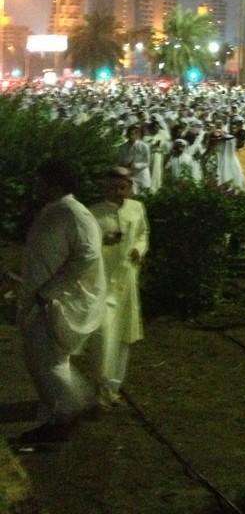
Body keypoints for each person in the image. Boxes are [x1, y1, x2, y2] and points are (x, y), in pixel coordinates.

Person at [15, 159, 106, 446]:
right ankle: (71, 408)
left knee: (47, 362)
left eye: (41, 181)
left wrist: (50, 291)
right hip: (42, 297)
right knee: (49, 361)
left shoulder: (74, 213)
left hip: (56, 302)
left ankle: (63, 420)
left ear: (54, 184)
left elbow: (88, 254)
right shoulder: (54, 210)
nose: (36, 187)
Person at [89, 167, 149, 406]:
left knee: (123, 335)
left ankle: (114, 386)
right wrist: (103, 241)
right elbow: (85, 246)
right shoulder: (94, 213)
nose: (118, 192)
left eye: (123, 187)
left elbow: (143, 233)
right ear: (105, 187)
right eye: (113, 187)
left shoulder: (137, 208)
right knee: (103, 335)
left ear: (130, 188)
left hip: (127, 280)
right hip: (103, 282)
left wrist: (138, 249)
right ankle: (100, 385)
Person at [117, 124, 151, 193]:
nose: (131, 136)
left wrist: (136, 165)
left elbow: (147, 162)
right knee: (132, 193)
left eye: (133, 134)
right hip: (129, 174)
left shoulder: (144, 146)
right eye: (129, 134)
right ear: (127, 135)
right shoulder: (122, 147)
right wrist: (125, 165)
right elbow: (120, 161)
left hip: (142, 173)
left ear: (137, 135)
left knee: (144, 192)